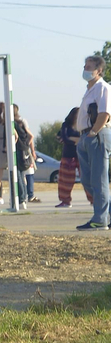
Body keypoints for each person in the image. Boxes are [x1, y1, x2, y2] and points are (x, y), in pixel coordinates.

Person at [76, 54, 110, 231]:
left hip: (96, 135)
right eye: (85, 67)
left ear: (99, 70)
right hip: (86, 136)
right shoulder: (90, 89)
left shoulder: (103, 88)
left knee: (99, 179)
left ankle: (100, 220)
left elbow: (104, 114)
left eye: (89, 67)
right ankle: (106, 214)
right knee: (88, 179)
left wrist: (93, 132)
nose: (85, 70)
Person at [13, 105, 39, 204]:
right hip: (24, 149)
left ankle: (26, 196)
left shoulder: (18, 122)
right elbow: (30, 136)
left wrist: (31, 149)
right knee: (24, 173)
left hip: (21, 149)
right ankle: (27, 195)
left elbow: (30, 135)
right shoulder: (20, 122)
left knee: (23, 173)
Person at [58, 107, 81, 208]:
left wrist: (74, 139)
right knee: (65, 180)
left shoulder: (83, 125)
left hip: (81, 155)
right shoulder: (66, 125)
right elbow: (64, 138)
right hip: (68, 155)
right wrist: (77, 141)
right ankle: (65, 200)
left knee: (87, 178)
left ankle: (93, 200)